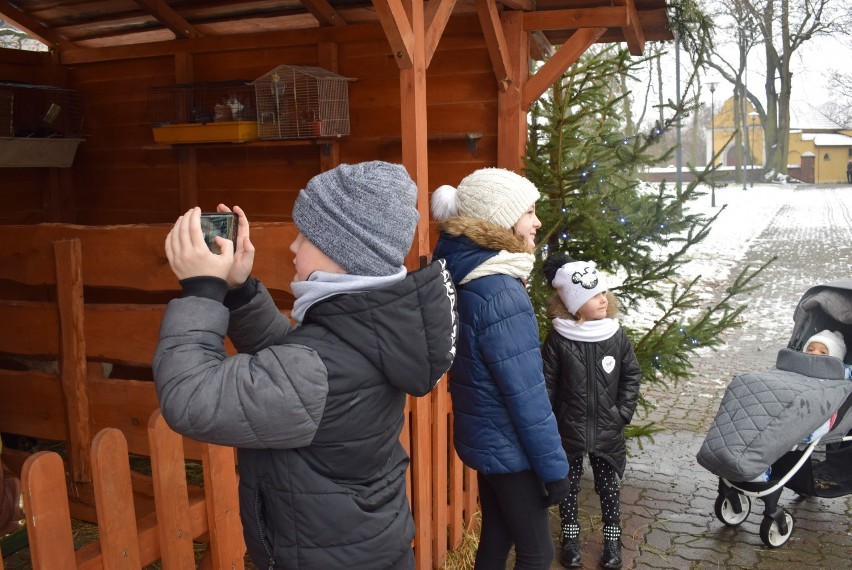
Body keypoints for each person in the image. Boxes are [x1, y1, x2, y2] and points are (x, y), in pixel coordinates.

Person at [153, 161, 458, 570]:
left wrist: (202, 291)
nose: (293, 247)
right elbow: (300, 359)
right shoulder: (377, 326)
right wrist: (240, 292)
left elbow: (191, 397)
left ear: (342, 252)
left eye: (307, 236)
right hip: (364, 548)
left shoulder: (322, 365)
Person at [430, 168, 570, 570]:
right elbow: (525, 393)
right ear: (501, 220)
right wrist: (553, 467)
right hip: (512, 449)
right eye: (529, 211)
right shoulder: (500, 291)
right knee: (537, 553)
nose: (537, 222)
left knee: (496, 536)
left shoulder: (470, 275)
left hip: (488, 439)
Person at [540, 253, 641, 570]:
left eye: (603, 293)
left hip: (608, 428)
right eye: (592, 295)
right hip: (568, 428)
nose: (602, 299)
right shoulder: (558, 339)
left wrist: (621, 413)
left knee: (609, 485)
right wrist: (554, 421)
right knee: (568, 486)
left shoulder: (615, 335)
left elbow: (631, 375)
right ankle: (570, 537)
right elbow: (547, 384)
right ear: (573, 304)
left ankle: (613, 539)